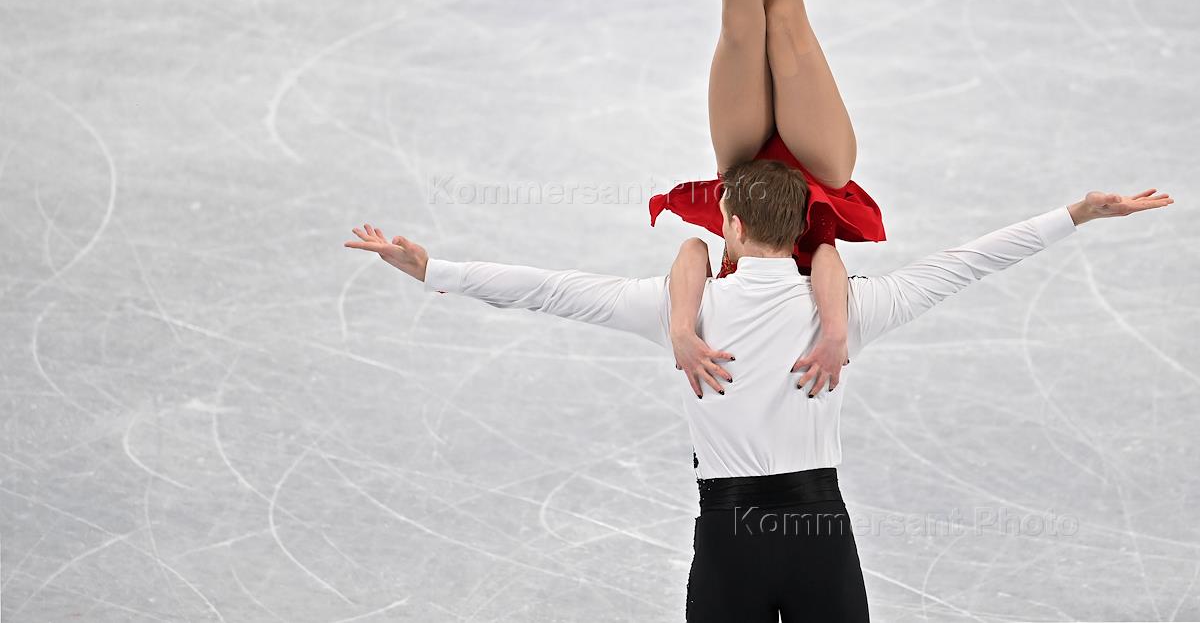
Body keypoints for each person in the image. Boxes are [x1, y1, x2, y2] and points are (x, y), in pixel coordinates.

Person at [343, 168, 1171, 622]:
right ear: (802, 228)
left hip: (729, 537)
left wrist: (432, 268)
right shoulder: (843, 310)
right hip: (821, 535)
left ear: (731, 226)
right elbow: (965, 263)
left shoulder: (687, 311)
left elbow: (551, 289)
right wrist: (1075, 213)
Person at [652, 0, 884, 402]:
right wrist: (834, 331)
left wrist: (682, 329)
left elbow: (692, 251)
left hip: (744, 172)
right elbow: (826, 256)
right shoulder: (807, 319)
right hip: (820, 174)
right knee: (784, 19)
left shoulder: (714, 312)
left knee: (741, 27)